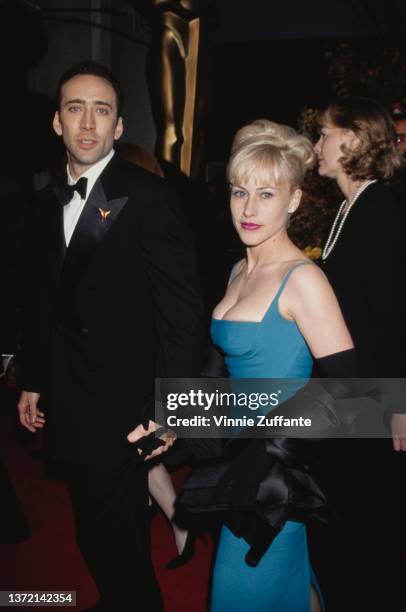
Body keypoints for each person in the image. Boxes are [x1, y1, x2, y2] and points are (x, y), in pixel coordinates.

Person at [17, 61, 205, 611]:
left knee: (113, 533)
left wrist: (173, 404)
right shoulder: (47, 199)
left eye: (102, 110)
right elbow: (43, 301)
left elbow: (182, 309)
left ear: (120, 127)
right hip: (71, 393)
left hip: (126, 406)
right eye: (76, 108)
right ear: (57, 121)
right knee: (95, 529)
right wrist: (33, 379)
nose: (88, 123)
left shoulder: (146, 195)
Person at [205, 119, 358, 612]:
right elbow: (225, 370)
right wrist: (171, 419)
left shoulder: (303, 280)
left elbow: (353, 390)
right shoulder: (237, 267)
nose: (248, 209)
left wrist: (270, 450)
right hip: (236, 457)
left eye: (266, 194)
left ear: (293, 200)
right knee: (284, 589)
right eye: (239, 191)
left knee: (239, 590)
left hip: (277, 473)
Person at [314, 96, 406, 610]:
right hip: (351, 399)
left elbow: (397, 317)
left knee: (367, 531)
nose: (317, 145)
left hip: (376, 402)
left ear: (353, 139)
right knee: (346, 524)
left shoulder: (382, 212)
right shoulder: (351, 208)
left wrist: (401, 405)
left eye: (324, 134)